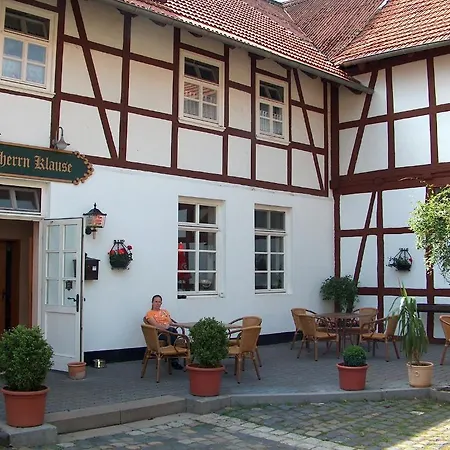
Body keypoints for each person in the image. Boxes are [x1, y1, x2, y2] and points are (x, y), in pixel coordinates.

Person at [145, 294, 184, 370]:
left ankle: (172, 357)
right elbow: (155, 325)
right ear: (152, 303)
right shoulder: (150, 313)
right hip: (159, 333)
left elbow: (170, 322)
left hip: (169, 331)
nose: (158, 304)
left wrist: (175, 325)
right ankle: (174, 360)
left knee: (172, 331)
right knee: (172, 332)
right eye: (156, 302)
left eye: (159, 302)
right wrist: (165, 327)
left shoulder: (165, 312)